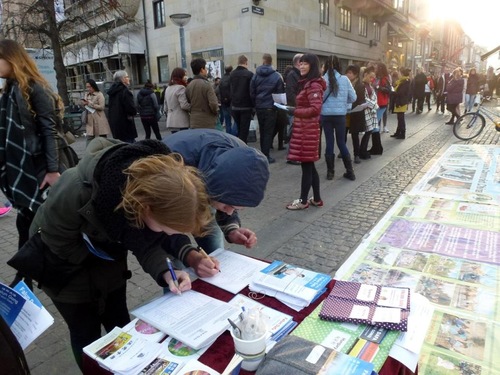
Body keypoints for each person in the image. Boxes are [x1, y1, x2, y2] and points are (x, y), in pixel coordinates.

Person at [29, 138, 213, 369]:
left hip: (107, 261)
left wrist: (167, 271)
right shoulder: (76, 189)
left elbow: (143, 241)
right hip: (63, 268)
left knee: (120, 324)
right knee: (86, 333)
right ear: (145, 209)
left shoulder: (147, 195)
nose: (168, 234)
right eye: (166, 228)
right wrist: (96, 263)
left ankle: (124, 367)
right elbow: (55, 240)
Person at [0, 39, 77, 289]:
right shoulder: (10, 89)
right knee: (25, 222)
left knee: (43, 223)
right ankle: (25, 275)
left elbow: (49, 130)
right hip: (21, 169)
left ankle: (50, 274)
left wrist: (53, 170)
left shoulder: (35, 88)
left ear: (11, 59)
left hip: (39, 168)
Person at [164, 129, 270, 264]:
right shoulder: (173, 168)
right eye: (228, 206)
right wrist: (187, 253)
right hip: (171, 193)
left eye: (236, 208)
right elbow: (161, 225)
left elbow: (229, 194)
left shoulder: (243, 160)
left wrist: (231, 228)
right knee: (175, 268)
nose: (230, 211)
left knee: (215, 259)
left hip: (204, 183)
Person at [285, 53, 326, 210]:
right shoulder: (308, 83)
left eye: (305, 64)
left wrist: (295, 111)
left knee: (306, 166)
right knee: (309, 165)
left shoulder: (313, 85)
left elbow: (316, 109)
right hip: (305, 129)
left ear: (312, 66)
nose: (301, 66)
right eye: (300, 63)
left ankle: (303, 201)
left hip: (308, 131)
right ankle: (316, 198)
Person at [320, 55, 356, 180]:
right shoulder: (345, 79)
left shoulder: (322, 80)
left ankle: (330, 172)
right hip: (340, 116)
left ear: (325, 66)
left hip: (325, 116)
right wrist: (343, 104)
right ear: (339, 66)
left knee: (329, 142)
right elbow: (353, 98)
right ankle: (350, 171)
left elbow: (319, 99)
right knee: (341, 142)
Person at [250, 53, 285, 164]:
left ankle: (262, 154)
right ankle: (265, 155)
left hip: (259, 107)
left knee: (262, 130)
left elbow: (252, 92)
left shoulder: (255, 76)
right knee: (268, 132)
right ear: (271, 62)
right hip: (271, 108)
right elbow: (280, 94)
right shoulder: (276, 76)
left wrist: (256, 104)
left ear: (263, 61)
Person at [185, 58, 219, 129]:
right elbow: (213, 104)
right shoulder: (207, 84)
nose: (206, 70)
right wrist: (216, 111)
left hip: (194, 121)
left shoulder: (189, 85)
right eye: (205, 68)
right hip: (207, 121)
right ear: (202, 69)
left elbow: (188, 101)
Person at [107, 70, 137, 143]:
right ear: (122, 79)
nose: (129, 78)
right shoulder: (125, 91)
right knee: (131, 146)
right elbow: (131, 108)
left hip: (116, 123)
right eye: (127, 77)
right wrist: (134, 112)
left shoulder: (112, 91)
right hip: (125, 123)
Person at [230, 55, 254, 143]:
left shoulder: (232, 74)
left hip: (235, 106)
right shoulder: (250, 74)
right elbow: (252, 91)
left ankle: (239, 145)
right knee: (244, 130)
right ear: (246, 62)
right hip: (246, 106)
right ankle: (242, 147)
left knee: (239, 128)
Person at [285, 53, 303, 165]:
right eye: (304, 62)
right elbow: (291, 93)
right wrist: (299, 105)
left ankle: (295, 155)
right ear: (298, 63)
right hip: (295, 108)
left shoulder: (298, 74)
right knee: (294, 132)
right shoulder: (293, 75)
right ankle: (292, 157)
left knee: (296, 132)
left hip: (297, 108)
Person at [345, 64, 365, 164]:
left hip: (355, 113)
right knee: (342, 133)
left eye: (350, 73)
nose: (348, 75)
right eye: (347, 72)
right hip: (345, 113)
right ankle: (342, 151)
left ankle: (356, 154)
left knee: (355, 135)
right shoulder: (344, 83)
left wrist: (353, 107)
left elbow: (361, 100)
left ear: (356, 75)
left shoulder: (360, 86)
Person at [81, 79, 111, 146]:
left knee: (102, 136)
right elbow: (84, 107)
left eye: (89, 87)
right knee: (90, 137)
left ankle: (105, 150)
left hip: (99, 118)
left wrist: (90, 104)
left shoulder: (99, 94)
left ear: (93, 86)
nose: (88, 88)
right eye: (87, 87)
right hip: (90, 118)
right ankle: (88, 152)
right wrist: (83, 104)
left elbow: (102, 107)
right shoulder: (87, 95)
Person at [369, 62, 391, 155]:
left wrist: (378, 87)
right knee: (375, 125)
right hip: (376, 103)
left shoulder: (384, 79)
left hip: (381, 104)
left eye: (377, 68)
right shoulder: (376, 78)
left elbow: (388, 90)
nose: (375, 69)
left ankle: (377, 148)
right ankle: (376, 147)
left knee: (375, 125)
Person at [164, 67, 191, 133]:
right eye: (184, 75)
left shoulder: (168, 88)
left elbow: (165, 107)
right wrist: (194, 107)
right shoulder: (181, 88)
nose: (186, 77)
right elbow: (184, 105)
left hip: (171, 121)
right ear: (180, 76)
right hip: (181, 121)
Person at [359, 66, 377, 159]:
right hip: (365, 111)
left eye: (373, 77)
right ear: (365, 75)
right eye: (370, 77)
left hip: (370, 111)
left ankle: (363, 150)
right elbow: (364, 99)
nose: (372, 79)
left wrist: (373, 104)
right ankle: (362, 151)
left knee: (369, 131)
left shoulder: (370, 86)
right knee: (368, 131)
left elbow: (373, 97)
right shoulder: (362, 85)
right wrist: (373, 104)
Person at [391, 67, 411, 139]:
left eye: (399, 73)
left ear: (402, 74)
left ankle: (402, 133)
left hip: (402, 102)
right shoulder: (401, 81)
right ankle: (398, 132)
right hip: (400, 101)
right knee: (399, 118)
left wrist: (393, 92)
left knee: (401, 118)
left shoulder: (405, 81)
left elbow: (401, 92)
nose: (398, 74)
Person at [219, 65, 236, 136]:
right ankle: (234, 135)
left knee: (227, 121)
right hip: (231, 102)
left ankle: (229, 136)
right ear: (231, 70)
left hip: (223, 102)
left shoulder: (222, 79)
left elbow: (219, 90)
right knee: (236, 120)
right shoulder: (232, 78)